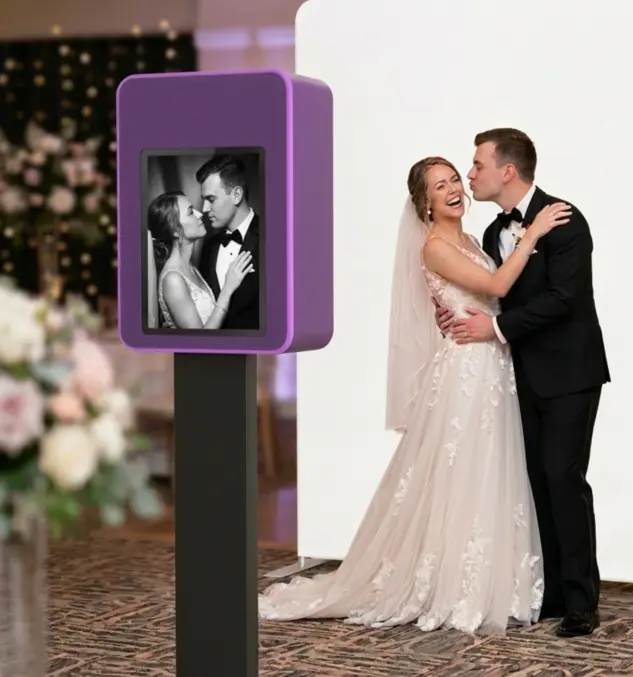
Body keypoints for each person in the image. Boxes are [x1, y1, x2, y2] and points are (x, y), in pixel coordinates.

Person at [257, 156, 570, 634]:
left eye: (454, 179)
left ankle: (494, 580)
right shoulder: (436, 247)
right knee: (463, 470)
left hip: (493, 365)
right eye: (439, 186)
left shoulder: (473, 240)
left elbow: (490, 298)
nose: (453, 189)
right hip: (467, 371)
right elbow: (494, 284)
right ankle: (455, 585)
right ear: (424, 203)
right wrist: (534, 233)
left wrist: (468, 312)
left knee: (490, 469)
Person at [435, 128, 610, 638]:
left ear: (507, 170)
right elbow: (496, 291)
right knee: (536, 482)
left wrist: (494, 328)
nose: (470, 175)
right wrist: (457, 314)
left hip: (570, 372)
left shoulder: (565, 219)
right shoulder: (494, 232)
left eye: (477, 165)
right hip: (519, 375)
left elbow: (564, 299)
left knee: (564, 479)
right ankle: (551, 593)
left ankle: (582, 602)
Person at [148, 191, 253, 329]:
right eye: (191, 212)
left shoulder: (192, 268)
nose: (200, 214)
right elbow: (200, 338)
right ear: (175, 230)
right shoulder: (173, 279)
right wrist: (228, 289)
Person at [196, 155, 261, 330]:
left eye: (211, 199)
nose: (204, 209)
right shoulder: (209, 247)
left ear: (236, 195)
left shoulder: (273, 238)